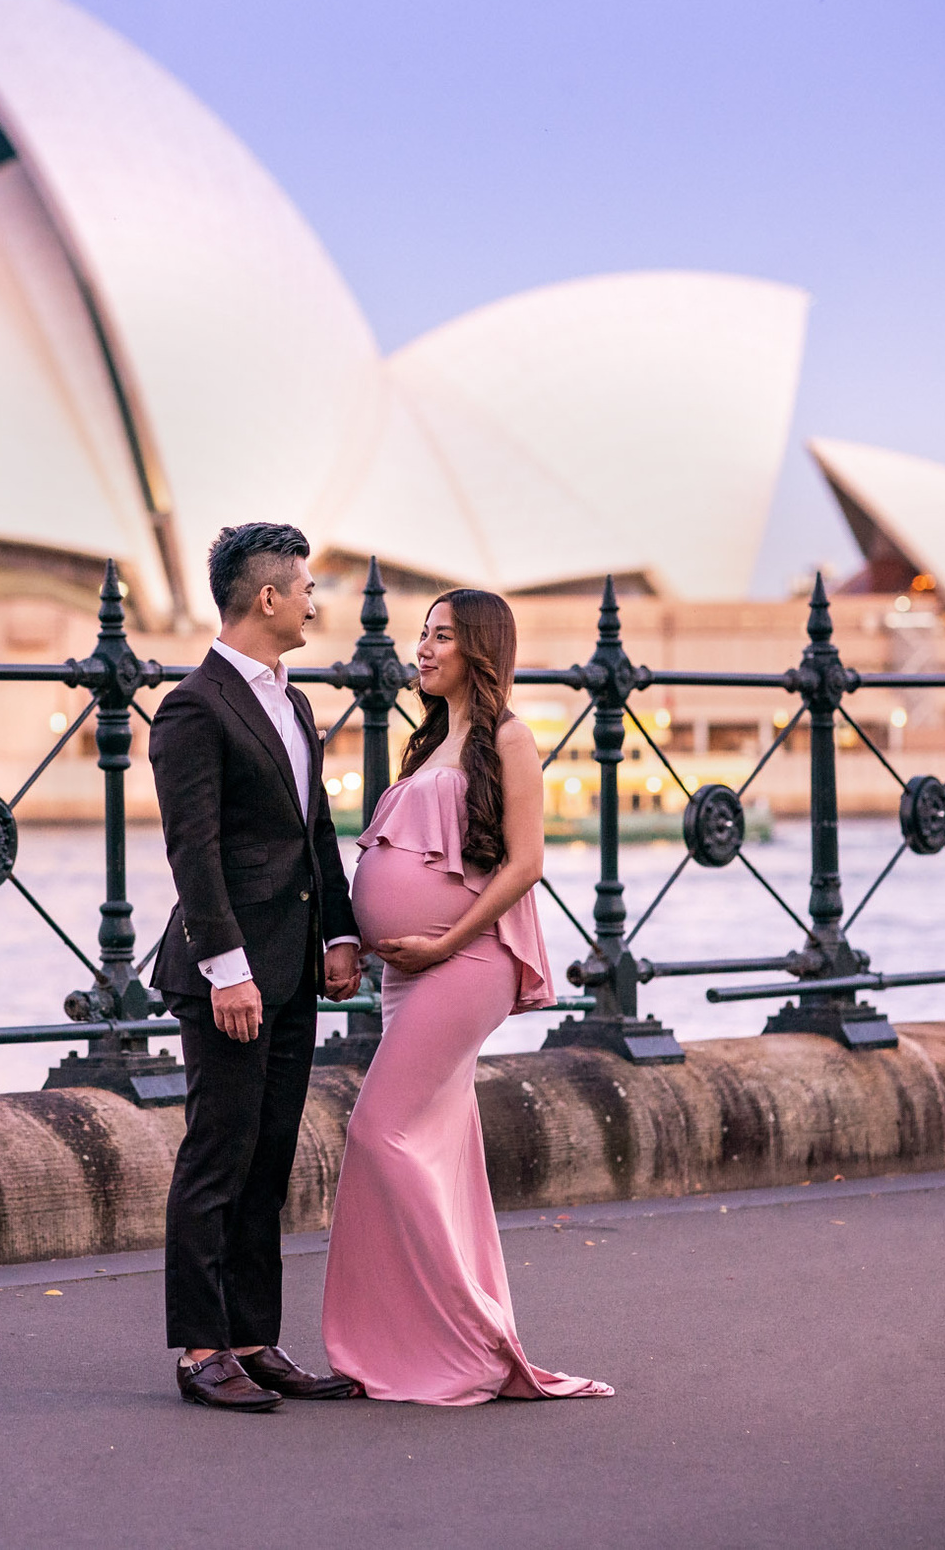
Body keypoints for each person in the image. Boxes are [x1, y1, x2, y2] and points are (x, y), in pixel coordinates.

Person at [319, 588, 613, 1405]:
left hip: (467, 962)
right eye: (421, 633)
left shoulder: (509, 738)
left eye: (441, 635)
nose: (422, 647)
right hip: (408, 974)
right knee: (439, 1149)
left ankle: (473, 1335)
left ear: (479, 648)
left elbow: (526, 864)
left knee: (379, 1131)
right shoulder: (428, 745)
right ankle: (420, 1344)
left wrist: (444, 941)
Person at [150, 523, 366, 1411]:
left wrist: (340, 934)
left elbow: (315, 832)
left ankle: (251, 1339)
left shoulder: (294, 702)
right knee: (219, 1153)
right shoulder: (193, 707)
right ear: (268, 597)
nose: (315, 602)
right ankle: (201, 1349)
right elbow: (192, 850)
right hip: (230, 974)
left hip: (292, 965)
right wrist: (226, 968)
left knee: (269, 1156)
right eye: (306, 587)